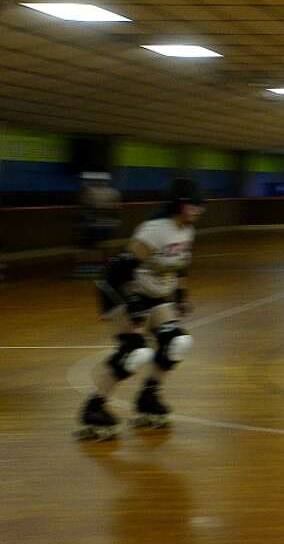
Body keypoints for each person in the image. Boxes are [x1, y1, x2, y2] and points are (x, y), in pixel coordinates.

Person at [75, 179, 204, 440]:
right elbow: (117, 272)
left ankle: (148, 397)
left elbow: (180, 265)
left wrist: (180, 293)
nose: (197, 211)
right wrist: (132, 304)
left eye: (199, 207)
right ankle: (94, 408)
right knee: (135, 353)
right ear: (178, 206)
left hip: (154, 294)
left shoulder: (186, 230)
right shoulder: (156, 230)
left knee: (176, 342)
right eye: (192, 206)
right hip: (120, 291)